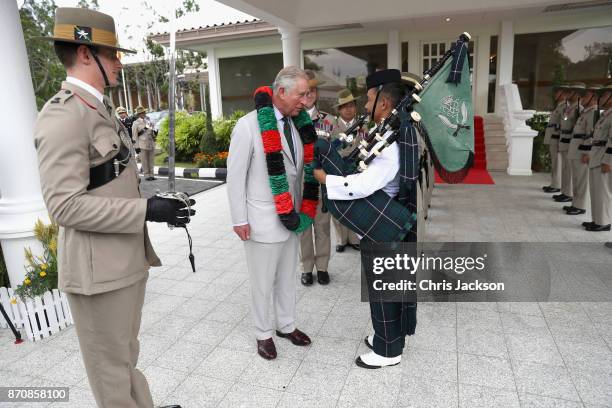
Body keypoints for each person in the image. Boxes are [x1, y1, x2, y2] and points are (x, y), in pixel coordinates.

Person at [33, 8, 193, 408]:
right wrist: (147, 210)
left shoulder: (99, 108)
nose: (119, 63)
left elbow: (110, 183)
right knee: (110, 375)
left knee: (125, 357)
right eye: (112, 55)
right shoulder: (63, 115)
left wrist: (157, 205)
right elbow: (64, 207)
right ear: (86, 54)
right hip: (97, 273)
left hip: (122, 262)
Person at [314, 69, 418, 368]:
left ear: (384, 103)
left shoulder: (391, 141)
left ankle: (389, 351)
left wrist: (327, 179)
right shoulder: (391, 130)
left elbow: (366, 184)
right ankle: (387, 335)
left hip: (383, 221)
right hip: (384, 219)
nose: (365, 105)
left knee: (384, 288)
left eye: (370, 98)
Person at [227, 66, 312, 360]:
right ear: (281, 92)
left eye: (307, 94)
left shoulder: (299, 125)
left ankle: (286, 325)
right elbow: (235, 176)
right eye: (301, 94)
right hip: (262, 218)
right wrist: (239, 218)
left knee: (288, 277)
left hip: (292, 217)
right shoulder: (249, 126)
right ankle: (263, 333)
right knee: (262, 282)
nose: (306, 100)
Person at [299, 70, 332, 285]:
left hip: (320, 182)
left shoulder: (329, 121)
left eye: (313, 90)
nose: (309, 94)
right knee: (303, 228)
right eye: (305, 91)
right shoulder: (290, 121)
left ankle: (322, 267)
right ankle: (306, 268)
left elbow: (336, 152)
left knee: (322, 226)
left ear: (316, 93)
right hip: (300, 184)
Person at [328, 88, 363, 252]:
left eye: (352, 105)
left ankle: (355, 238)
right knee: (340, 205)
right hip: (339, 170)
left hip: (357, 171)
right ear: (339, 110)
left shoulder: (363, 125)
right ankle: (341, 240)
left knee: (356, 205)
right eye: (345, 106)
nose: (349, 109)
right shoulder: (332, 126)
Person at [565, 85, 599, 215]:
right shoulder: (585, 112)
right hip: (576, 148)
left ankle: (580, 206)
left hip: (582, 151)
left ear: (593, 97)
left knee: (581, 180)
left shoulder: (593, 113)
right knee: (576, 179)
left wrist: (587, 152)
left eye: (586, 95)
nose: (583, 98)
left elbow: (591, 135)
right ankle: (576, 203)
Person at [584, 83, 612, 232]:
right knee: (595, 191)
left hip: (604, 157)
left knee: (603, 192)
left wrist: (608, 161)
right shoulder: (604, 115)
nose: (601, 98)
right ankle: (597, 220)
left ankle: (604, 222)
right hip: (596, 155)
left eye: (604, 95)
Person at [554, 83, 583, 203]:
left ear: (577, 94)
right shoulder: (570, 107)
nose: (568, 94)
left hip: (570, 141)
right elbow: (565, 122)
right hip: (564, 139)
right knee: (566, 168)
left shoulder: (578, 108)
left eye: (571, 92)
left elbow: (577, 128)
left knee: (569, 170)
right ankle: (565, 192)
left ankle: (569, 193)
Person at [542, 85, 568, 193]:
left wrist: (559, 141)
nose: (555, 95)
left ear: (564, 94)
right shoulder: (559, 106)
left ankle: (557, 185)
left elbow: (564, 125)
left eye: (558, 93)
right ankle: (553, 183)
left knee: (557, 163)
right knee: (554, 162)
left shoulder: (565, 107)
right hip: (553, 137)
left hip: (557, 138)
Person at [132, 106, 156, 180]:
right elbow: (135, 136)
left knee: (151, 160)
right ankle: (147, 175)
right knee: (144, 161)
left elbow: (152, 132)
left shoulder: (148, 121)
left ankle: (152, 175)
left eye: (144, 112)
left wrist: (154, 131)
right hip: (142, 144)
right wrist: (136, 147)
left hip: (150, 143)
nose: (144, 114)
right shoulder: (135, 123)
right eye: (142, 113)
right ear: (138, 115)